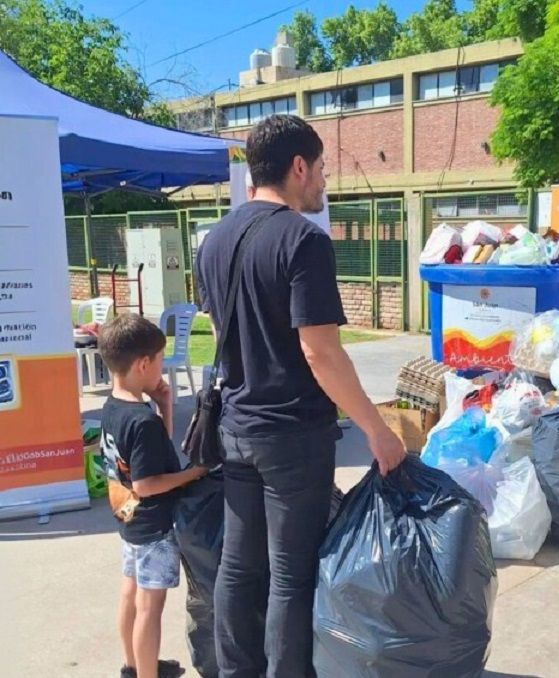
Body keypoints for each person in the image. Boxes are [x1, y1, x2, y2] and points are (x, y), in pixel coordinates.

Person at [195, 114, 408, 678]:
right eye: (321, 170)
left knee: (238, 568)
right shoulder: (303, 240)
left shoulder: (215, 239)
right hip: (292, 436)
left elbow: (223, 332)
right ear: (297, 167)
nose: (322, 182)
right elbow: (321, 353)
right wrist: (377, 430)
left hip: (235, 429)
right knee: (292, 574)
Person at [99, 313, 207, 678]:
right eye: (160, 360)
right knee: (150, 607)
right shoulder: (141, 421)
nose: (162, 367)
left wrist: (165, 407)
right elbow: (147, 483)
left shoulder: (113, 408)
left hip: (127, 517)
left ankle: (133, 665)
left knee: (130, 593)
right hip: (153, 526)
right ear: (144, 363)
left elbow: (149, 454)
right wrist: (192, 473)